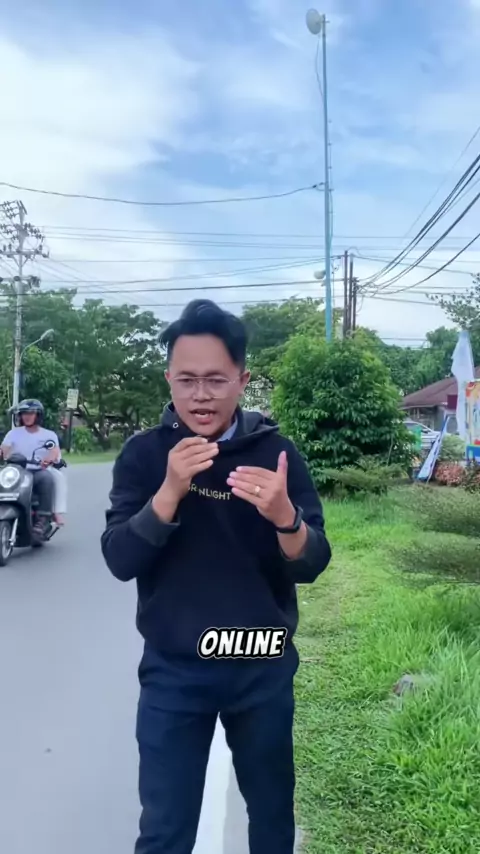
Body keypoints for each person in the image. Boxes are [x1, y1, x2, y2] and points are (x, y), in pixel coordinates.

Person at [101, 299, 332, 854]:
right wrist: (168, 492)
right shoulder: (145, 455)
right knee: (165, 829)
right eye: (187, 380)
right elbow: (120, 559)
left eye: (215, 380)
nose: (200, 395)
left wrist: (285, 517)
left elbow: (312, 562)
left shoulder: (276, 454)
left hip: (262, 667)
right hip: (174, 672)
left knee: (271, 817)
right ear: (169, 379)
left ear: (242, 380)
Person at [0, 399, 62, 537]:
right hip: (16, 471)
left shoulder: (49, 435)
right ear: (20, 416)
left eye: (31, 413)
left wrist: (48, 459)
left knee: (46, 478)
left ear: (38, 415)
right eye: (24, 413)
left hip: (37, 471)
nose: (27, 416)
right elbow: (4, 450)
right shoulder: (13, 433)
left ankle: (43, 519)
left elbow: (54, 452)